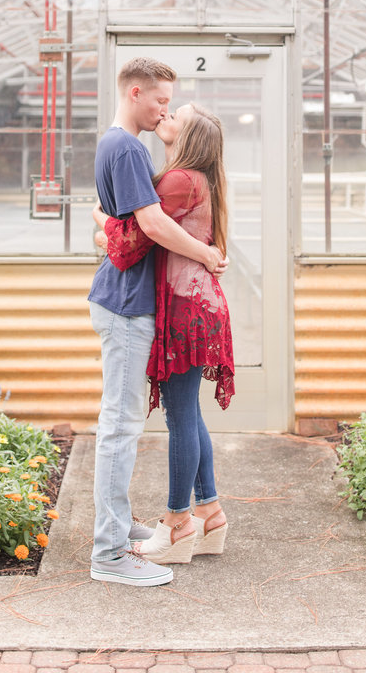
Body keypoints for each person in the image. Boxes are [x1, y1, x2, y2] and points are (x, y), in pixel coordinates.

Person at [88, 58, 226, 588]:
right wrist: (208, 254)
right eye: (161, 101)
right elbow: (144, 227)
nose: (165, 109)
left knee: (144, 420)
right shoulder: (126, 147)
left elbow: (122, 227)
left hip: (129, 302)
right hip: (125, 305)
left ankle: (120, 533)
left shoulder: (128, 148)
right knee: (120, 428)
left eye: (173, 106)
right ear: (136, 91)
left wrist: (101, 224)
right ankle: (109, 554)